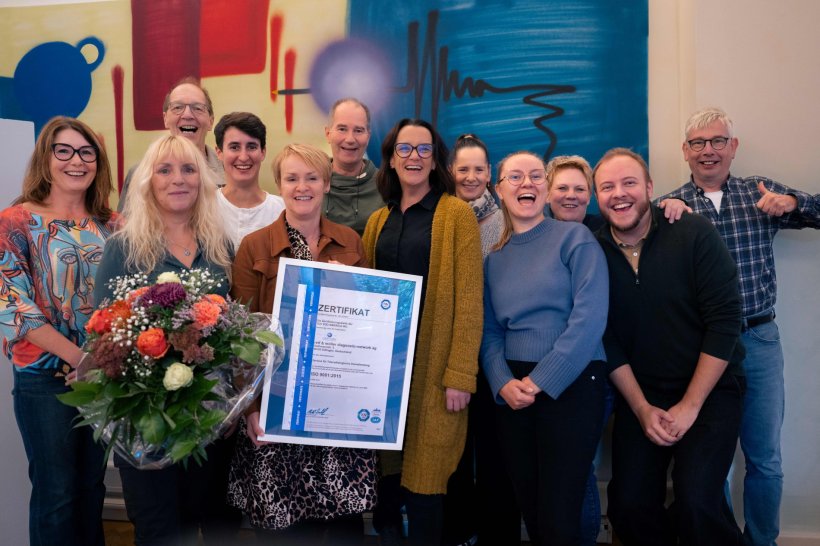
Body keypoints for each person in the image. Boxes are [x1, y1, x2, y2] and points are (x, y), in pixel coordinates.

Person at [657, 107, 820, 545]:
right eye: (697, 143)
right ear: (685, 152)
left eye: (717, 141)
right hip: (704, 349)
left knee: (765, 457)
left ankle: (763, 540)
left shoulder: (759, 192)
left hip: (759, 338)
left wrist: (795, 203)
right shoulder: (669, 208)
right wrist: (658, 217)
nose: (708, 151)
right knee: (713, 462)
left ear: (733, 147)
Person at [226, 143, 376, 544]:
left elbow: (372, 329)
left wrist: (354, 289)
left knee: (343, 524)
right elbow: (241, 338)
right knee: (283, 525)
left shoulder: (351, 242)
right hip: (277, 405)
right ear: (280, 185)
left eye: (311, 177)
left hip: (337, 405)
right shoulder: (254, 246)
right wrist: (251, 409)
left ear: (326, 184)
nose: (302, 186)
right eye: (292, 178)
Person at [594, 147, 745, 545]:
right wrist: (642, 409)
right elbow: (605, 337)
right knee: (627, 506)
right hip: (642, 395)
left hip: (710, 393)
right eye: (607, 187)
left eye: (629, 183)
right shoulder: (593, 252)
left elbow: (725, 321)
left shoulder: (692, 232)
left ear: (650, 189)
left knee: (697, 501)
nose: (619, 194)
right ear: (597, 197)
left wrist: (690, 406)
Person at [95, 134, 238, 546]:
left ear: (203, 181)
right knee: (158, 530)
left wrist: (229, 406)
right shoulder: (123, 248)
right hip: (147, 423)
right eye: (165, 169)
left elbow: (233, 330)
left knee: (215, 524)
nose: (179, 179)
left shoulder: (221, 247)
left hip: (210, 421)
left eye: (189, 169)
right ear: (147, 182)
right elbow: (105, 333)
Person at [362, 119, 483, 545]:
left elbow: (470, 301)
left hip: (435, 371)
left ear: (436, 160)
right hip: (385, 373)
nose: (414, 157)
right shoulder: (378, 220)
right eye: (405, 149)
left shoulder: (456, 215)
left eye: (424, 149)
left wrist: (460, 375)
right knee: (390, 485)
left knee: (428, 484)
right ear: (391, 158)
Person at [481, 151, 608, 545]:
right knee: (532, 509)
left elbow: (589, 320)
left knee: (559, 514)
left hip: (573, 380)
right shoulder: (494, 259)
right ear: (499, 190)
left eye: (536, 176)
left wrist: (538, 382)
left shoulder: (576, 238)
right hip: (513, 390)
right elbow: (488, 332)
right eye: (515, 177)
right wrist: (503, 383)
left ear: (546, 188)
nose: (527, 183)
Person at [0, 116, 116, 546]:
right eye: (63, 151)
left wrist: (100, 362)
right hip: (44, 380)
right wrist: (78, 358)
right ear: (45, 159)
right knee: (56, 495)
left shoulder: (113, 225)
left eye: (87, 152)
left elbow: (126, 302)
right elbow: (14, 307)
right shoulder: (14, 222)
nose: (76, 161)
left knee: (91, 491)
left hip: (103, 379)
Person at [444, 133, 520, 546]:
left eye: (478, 169)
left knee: (495, 456)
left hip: (496, 353)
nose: (471, 177)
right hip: (454, 352)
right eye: (463, 169)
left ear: (489, 173)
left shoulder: (508, 217)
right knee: (454, 454)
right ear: (452, 172)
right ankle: (458, 532)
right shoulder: (443, 216)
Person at [118, 76, 222, 212]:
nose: (187, 115)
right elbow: (125, 229)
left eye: (197, 108)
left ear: (210, 121)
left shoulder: (229, 172)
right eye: (178, 107)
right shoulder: (140, 173)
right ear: (165, 119)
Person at [213, 112, 284, 250]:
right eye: (234, 147)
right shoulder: (204, 207)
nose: (244, 157)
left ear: (263, 152)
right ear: (219, 152)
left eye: (251, 147)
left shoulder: (283, 211)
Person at [323, 97, 384, 234]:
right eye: (342, 129)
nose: (350, 139)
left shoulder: (386, 185)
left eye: (358, 130)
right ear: (328, 134)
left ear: (368, 137)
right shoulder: (311, 182)